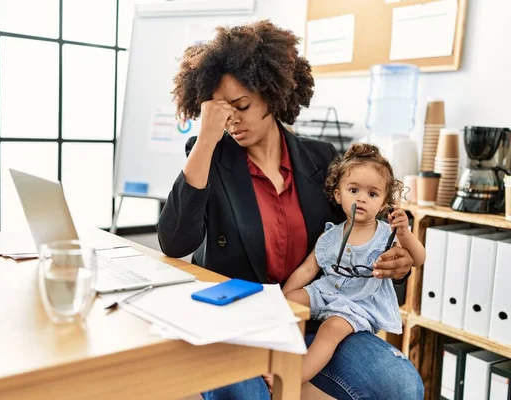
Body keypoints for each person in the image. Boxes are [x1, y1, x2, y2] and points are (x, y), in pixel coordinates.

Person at [157, 20, 424, 399]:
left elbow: (365, 233)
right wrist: (204, 140)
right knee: (248, 395)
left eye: (242, 106)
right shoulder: (210, 158)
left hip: (315, 315)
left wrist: (395, 263)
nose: (232, 119)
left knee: (400, 386)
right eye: (222, 110)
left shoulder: (323, 160)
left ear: (272, 94)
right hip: (241, 322)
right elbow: (174, 241)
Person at [262, 143, 426, 390]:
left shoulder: (386, 235)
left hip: (357, 303)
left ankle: (293, 379)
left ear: (383, 203)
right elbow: (308, 270)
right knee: (293, 301)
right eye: (353, 190)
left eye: (372, 194)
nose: (361, 198)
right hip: (326, 291)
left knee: (331, 328)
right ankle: (288, 355)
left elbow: (419, 258)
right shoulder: (330, 235)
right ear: (338, 195)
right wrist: (283, 299)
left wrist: (404, 232)